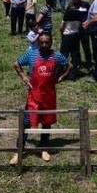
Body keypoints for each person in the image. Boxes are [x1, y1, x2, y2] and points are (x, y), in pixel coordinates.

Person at [13, 30, 71, 163]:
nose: (44, 45)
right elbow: (16, 64)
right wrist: (24, 77)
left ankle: (43, 148)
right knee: (26, 122)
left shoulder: (57, 56)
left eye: (47, 42)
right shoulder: (31, 54)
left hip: (49, 95)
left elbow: (69, 65)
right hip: (34, 95)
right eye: (42, 42)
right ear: (38, 43)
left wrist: (61, 77)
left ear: (51, 42)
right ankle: (19, 150)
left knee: (47, 122)